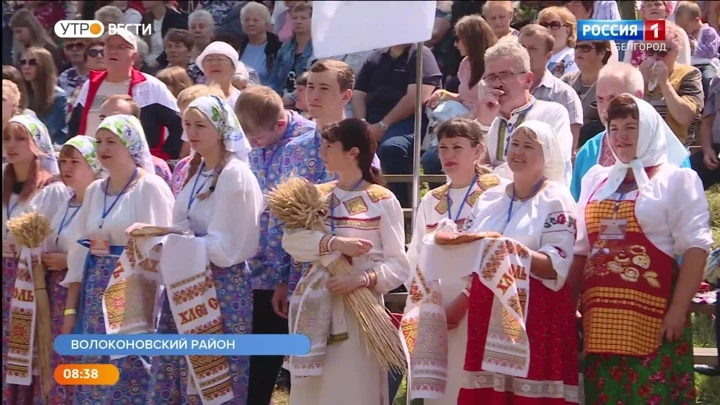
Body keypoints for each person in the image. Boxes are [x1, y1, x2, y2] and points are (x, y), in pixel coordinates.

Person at [570, 94, 713, 403]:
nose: (620, 136)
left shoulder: (676, 180)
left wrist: (676, 311)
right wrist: (571, 306)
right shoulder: (596, 179)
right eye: (614, 127)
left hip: (653, 317)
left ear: (649, 128)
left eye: (630, 127)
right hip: (601, 320)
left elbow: (696, 248)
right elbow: (581, 249)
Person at [435, 120, 580, 404]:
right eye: (514, 143)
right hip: (487, 309)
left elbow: (556, 264)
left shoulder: (556, 198)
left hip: (536, 312)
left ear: (547, 154)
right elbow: (473, 251)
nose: (518, 152)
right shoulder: (490, 198)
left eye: (529, 146)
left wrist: (510, 250)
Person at [282, 118, 410, 404]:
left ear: (353, 152)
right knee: (312, 392)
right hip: (316, 302)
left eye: (330, 146)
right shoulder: (316, 194)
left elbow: (399, 264)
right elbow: (291, 242)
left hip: (359, 314)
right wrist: (334, 243)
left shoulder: (382, 199)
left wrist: (362, 279)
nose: (323, 152)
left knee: (352, 387)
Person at [146, 95, 263, 404]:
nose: (192, 132)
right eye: (187, 125)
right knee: (181, 370)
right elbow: (182, 225)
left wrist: (179, 244)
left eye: (201, 125)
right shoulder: (194, 172)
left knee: (215, 378)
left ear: (221, 128)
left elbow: (228, 247)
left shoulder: (235, 174)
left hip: (220, 286)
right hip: (188, 282)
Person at [61, 115, 174, 404]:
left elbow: (163, 247)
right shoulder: (96, 190)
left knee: (130, 368)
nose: (103, 148)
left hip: (134, 292)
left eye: (112, 141)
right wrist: (71, 310)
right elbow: (79, 248)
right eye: (99, 142)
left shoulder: (150, 187)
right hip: (95, 288)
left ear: (130, 146)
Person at [402, 117, 505, 403]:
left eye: (457, 147)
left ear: (477, 150)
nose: (448, 155)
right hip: (437, 306)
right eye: (443, 148)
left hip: (482, 300)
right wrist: (421, 305)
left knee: (475, 385)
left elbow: (499, 251)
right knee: (442, 388)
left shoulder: (497, 192)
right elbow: (417, 257)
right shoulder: (432, 199)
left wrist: (466, 298)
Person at [234, 84, 315, 404]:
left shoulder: (309, 143)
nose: (253, 145)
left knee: (303, 368)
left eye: (257, 138)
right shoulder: (254, 142)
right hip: (255, 271)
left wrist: (286, 275)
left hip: (297, 273)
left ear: (280, 124)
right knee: (258, 366)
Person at [2, 114, 68, 403]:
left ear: (36, 144)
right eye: (7, 138)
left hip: (29, 278)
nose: (12, 145)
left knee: (27, 346)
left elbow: (51, 236)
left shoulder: (50, 189)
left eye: (20, 138)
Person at [570, 62, 692, 201]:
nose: (604, 108)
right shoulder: (589, 150)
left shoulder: (670, 151)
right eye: (600, 99)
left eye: (613, 98)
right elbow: (575, 206)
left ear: (638, 96)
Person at [39, 136, 100, 404]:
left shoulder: (97, 204)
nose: (67, 167)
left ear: (94, 165)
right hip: (54, 290)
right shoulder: (65, 200)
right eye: (63, 161)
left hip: (81, 291)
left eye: (75, 161)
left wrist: (68, 260)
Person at [68, 28, 183, 161]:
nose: (113, 51)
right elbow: (74, 126)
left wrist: (162, 157)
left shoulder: (151, 86)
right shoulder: (90, 85)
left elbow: (179, 125)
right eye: (109, 46)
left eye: (121, 47)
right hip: (90, 165)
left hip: (133, 168)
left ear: (134, 56)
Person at [351, 42, 442, 205]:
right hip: (371, 120)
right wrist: (363, 125)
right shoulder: (375, 57)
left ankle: (400, 209)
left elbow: (417, 96)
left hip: (410, 120)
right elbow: (358, 93)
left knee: (392, 149)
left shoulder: (421, 55)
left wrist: (382, 125)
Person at [475, 38, 573, 185]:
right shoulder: (489, 121)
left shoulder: (553, 114)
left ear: (527, 80)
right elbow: (467, 172)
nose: (497, 83)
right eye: (491, 77)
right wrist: (483, 124)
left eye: (505, 75)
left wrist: (490, 173)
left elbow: (544, 167)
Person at [519, 24, 584, 151]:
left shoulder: (564, 95)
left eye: (532, 48)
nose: (525, 53)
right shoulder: (504, 89)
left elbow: (569, 148)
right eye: (522, 47)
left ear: (548, 56)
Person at [639, 20, 704, 142]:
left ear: (676, 51)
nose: (655, 57)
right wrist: (640, 82)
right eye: (650, 51)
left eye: (662, 52)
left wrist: (665, 84)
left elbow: (685, 118)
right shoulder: (638, 74)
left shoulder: (689, 74)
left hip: (675, 148)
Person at [97, 94, 174, 188]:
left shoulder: (157, 167)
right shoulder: (88, 166)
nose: (108, 124)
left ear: (135, 125)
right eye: (103, 119)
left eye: (117, 118)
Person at [169, 84, 227, 195]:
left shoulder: (231, 170)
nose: (190, 129)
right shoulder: (182, 167)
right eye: (184, 118)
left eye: (198, 122)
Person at [238, 1, 282, 85]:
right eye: (246, 20)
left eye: (255, 20)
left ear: (266, 24)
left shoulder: (277, 49)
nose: (250, 24)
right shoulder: (238, 47)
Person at [690, 70, 720, 189]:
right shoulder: (717, 80)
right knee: (686, 174)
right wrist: (707, 150)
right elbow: (707, 122)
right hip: (716, 149)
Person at [195, 41, 247, 109]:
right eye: (209, 59)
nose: (214, 63)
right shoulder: (195, 97)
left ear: (233, 67)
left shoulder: (243, 100)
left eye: (220, 59)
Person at [537, 6, 579, 78]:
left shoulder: (574, 56)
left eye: (555, 25)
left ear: (568, 30)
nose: (548, 29)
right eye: (544, 25)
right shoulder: (534, 55)